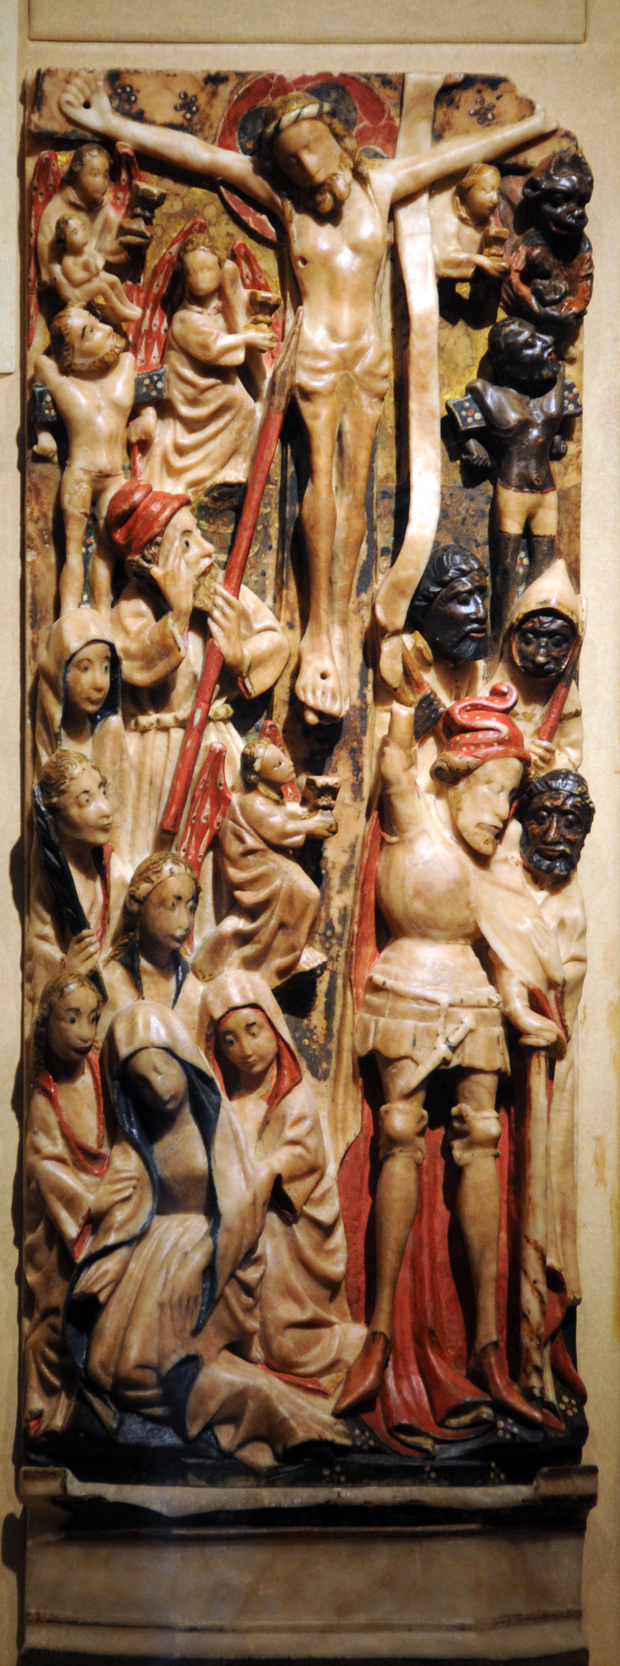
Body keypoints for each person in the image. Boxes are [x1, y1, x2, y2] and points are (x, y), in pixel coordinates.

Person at [59, 73, 554, 725]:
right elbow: (201, 156)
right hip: (316, 354)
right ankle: (321, 632)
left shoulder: (380, 186)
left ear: (337, 138)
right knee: (323, 479)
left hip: (368, 357)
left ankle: (341, 630)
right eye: (290, 159)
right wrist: (107, 123)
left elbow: (454, 156)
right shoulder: (286, 203)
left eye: (312, 146)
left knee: (355, 488)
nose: (306, 165)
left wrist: (530, 129)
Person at [336, 675, 564, 1422]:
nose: (503, 812)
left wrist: (517, 1006)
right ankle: (377, 1333)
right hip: (407, 982)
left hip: (472, 995)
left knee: (481, 1144)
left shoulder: (495, 862)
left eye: (512, 797)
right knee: (398, 1137)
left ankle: (489, 1348)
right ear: (457, 776)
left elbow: (503, 946)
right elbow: (394, 760)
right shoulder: (415, 815)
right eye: (494, 790)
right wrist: (410, 706)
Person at [66, 1002, 354, 1470]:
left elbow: (241, 1214)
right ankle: (257, 1406)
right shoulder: (138, 1140)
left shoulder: (217, 1127)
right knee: (114, 1367)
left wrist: (199, 1260)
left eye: (162, 1068)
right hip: (152, 1261)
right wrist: (107, 1260)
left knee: (157, 1366)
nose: (158, 1087)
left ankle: (272, 1411)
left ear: (182, 1058)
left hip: (214, 1260)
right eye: (141, 1082)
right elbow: (120, 1209)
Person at [106, 481, 289, 896]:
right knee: (161, 855)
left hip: (214, 746)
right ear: (155, 560)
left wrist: (240, 656)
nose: (208, 550)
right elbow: (131, 661)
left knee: (219, 858)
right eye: (187, 543)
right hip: (158, 755)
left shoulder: (223, 592)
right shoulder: (135, 605)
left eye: (201, 535)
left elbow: (274, 641)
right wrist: (178, 613)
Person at [202, 971, 365, 1387]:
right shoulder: (228, 1102)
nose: (245, 1050)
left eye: (253, 1031)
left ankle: (302, 1337)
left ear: (274, 1029)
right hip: (241, 1219)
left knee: (284, 1338)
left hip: (290, 1226)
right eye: (229, 1041)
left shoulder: (294, 1098)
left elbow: (306, 1155)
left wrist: (270, 1170)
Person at [512, 768, 595, 1402]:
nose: (555, 834)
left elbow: (568, 980)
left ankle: (541, 1337)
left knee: (545, 1194)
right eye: (541, 817)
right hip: (499, 1060)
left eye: (570, 822)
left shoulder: (571, 902)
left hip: (549, 1073)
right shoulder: (503, 882)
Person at [23, 970, 109, 1440]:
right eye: (71, 1019)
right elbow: (46, 1168)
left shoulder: (101, 1071)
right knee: (58, 1315)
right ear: (46, 1024)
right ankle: (44, 1403)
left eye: (92, 1018)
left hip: (114, 1205)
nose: (84, 1032)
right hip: (65, 1230)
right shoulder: (44, 1098)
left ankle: (105, 1395)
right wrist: (92, 1204)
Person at [140, 231, 276, 498]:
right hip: (190, 396)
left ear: (219, 268)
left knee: (245, 404)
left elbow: (240, 303)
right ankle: (202, 474)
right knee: (242, 404)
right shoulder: (184, 319)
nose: (201, 278)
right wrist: (247, 338)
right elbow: (214, 348)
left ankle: (236, 466)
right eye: (193, 272)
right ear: (184, 278)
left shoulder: (221, 307)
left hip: (213, 387)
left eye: (207, 269)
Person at [193, 736, 336, 987]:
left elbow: (284, 813)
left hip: (265, 859)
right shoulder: (252, 802)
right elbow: (280, 830)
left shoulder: (266, 797)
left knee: (304, 894)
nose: (289, 764)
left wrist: (309, 811)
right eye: (278, 764)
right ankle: (283, 959)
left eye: (283, 759)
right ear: (257, 777)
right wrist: (310, 825)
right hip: (251, 867)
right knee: (306, 894)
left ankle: (295, 948)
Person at [464, 317, 566, 637]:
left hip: (546, 492)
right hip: (513, 490)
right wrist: (474, 447)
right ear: (507, 363)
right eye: (529, 343)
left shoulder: (558, 380)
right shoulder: (483, 392)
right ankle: (500, 644)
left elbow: (552, 434)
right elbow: (465, 430)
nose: (547, 342)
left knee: (544, 569)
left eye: (538, 336)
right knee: (506, 570)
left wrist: (555, 442)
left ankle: (532, 638)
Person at [34, 308, 137, 613]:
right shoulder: (59, 377)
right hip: (81, 472)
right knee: (73, 552)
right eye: (89, 331)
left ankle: (103, 619)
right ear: (72, 353)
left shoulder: (125, 365)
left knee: (106, 554)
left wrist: (148, 417)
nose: (103, 329)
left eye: (98, 321)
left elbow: (145, 401)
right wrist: (43, 433)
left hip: (115, 476)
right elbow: (39, 371)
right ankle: (68, 619)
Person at [25, 749, 129, 1019]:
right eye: (87, 800)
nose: (106, 809)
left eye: (102, 792)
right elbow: (39, 948)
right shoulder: (50, 882)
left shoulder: (111, 868)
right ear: (55, 816)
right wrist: (68, 968)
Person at [34, 605, 132, 858]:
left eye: (106, 668)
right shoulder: (49, 741)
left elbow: (120, 822)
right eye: (85, 668)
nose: (99, 683)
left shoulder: (109, 733)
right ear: (59, 672)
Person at [100, 853, 207, 1047]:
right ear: (137, 904)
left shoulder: (193, 988)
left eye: (190, 908)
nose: (185, 922)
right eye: (172, 905)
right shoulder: (113, 982)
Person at [487, 559, 583, 773]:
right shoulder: (488, 686)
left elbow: (571, 754)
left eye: (556, 642)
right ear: (513, 635)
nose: (540, 657)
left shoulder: (567, 699)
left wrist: (552, 763)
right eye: (530, 638)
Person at [502, 148, 594, 342]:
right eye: (560, 201)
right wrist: (535, 307)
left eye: (581, 203)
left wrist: (578, 302)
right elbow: (515, 279)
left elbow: (585, 279)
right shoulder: (532, 240)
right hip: (531, 321)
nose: (577, 213)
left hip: (564, 322)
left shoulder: (580, 244)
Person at [52, 211, 142, 322]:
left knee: (114, 280)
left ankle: (126, 304)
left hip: (93, 277)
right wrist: (89, 274)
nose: (82, 234)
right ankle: (119, 311)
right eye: (75, 232)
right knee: (103, 287)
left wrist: (97, 266)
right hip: (80, 289)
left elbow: (99, 258)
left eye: (83, 228)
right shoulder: (68, 261)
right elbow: (75, 279)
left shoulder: (86, 250)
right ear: (64, 240)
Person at [431, 162, 508, 282]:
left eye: (496, 192)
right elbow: (443, 260)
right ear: (467, 190)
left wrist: (497, 260)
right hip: (446, 288)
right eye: (486, 191)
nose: (495, 199)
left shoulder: (490, 223)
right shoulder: (450, 221)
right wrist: (481, 261)